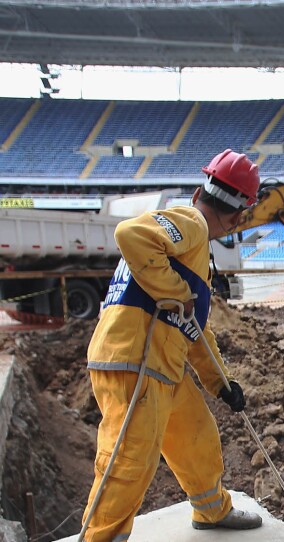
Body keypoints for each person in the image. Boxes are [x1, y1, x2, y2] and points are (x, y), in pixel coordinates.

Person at [82, 149, 263, 541]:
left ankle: (212, 509)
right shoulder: (192, 223)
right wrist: (179, 291)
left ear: (203, 189)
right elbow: (130, 234)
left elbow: (193, 328)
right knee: (129, 462)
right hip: (136, 361)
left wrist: (221, 384)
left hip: (161, 364)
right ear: (238, 215)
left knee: (197, 433)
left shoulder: (191, 250)